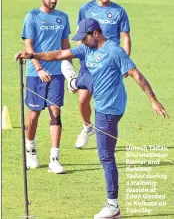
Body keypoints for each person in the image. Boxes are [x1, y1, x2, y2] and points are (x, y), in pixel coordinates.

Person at [16, 18, 168, 219]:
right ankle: (75, 82)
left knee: (106, 156)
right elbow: (60, 54)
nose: (82, 41)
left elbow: (136, 75)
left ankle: (113, 206)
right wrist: (33, 55)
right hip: (101, 102)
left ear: (96, 33)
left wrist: (153, 100)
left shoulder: (114, 51)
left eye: (84, 37)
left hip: (110, 109)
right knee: (86, 77)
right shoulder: (87, 49)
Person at [21, 0, 76, 174]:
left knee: (55, 113)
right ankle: (31, 151)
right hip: (35, 74)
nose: (53, 0)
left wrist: (71, 73)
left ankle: (54, 159)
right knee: (34, 114)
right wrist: (38, 69)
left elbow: (65, 46)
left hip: (56, 74)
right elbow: (29, 47)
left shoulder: (63, 17)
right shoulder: (32, 17)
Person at [74, 0, 131, 149]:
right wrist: (83, 54)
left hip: (110, 63)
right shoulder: (86, 9)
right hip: (90, 61)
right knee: (83, 99)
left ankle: (107, 136)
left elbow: (125, 38)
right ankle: (87, 127)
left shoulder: (119, 11)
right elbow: (79, 33)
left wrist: (124, 63)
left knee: (107, 101)